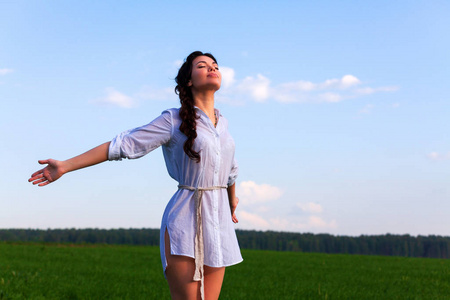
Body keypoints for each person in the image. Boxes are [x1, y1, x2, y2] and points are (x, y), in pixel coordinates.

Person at [28, 51, 243, 300]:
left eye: (215, 65)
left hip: (219, 222)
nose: (212, 68)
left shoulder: (223, 123)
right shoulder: (173, 120)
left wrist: (231, 199)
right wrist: (65, 165)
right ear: (188, 81)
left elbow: (230, 169)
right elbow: (123, 145)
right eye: (202, 65)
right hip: (187, 218)